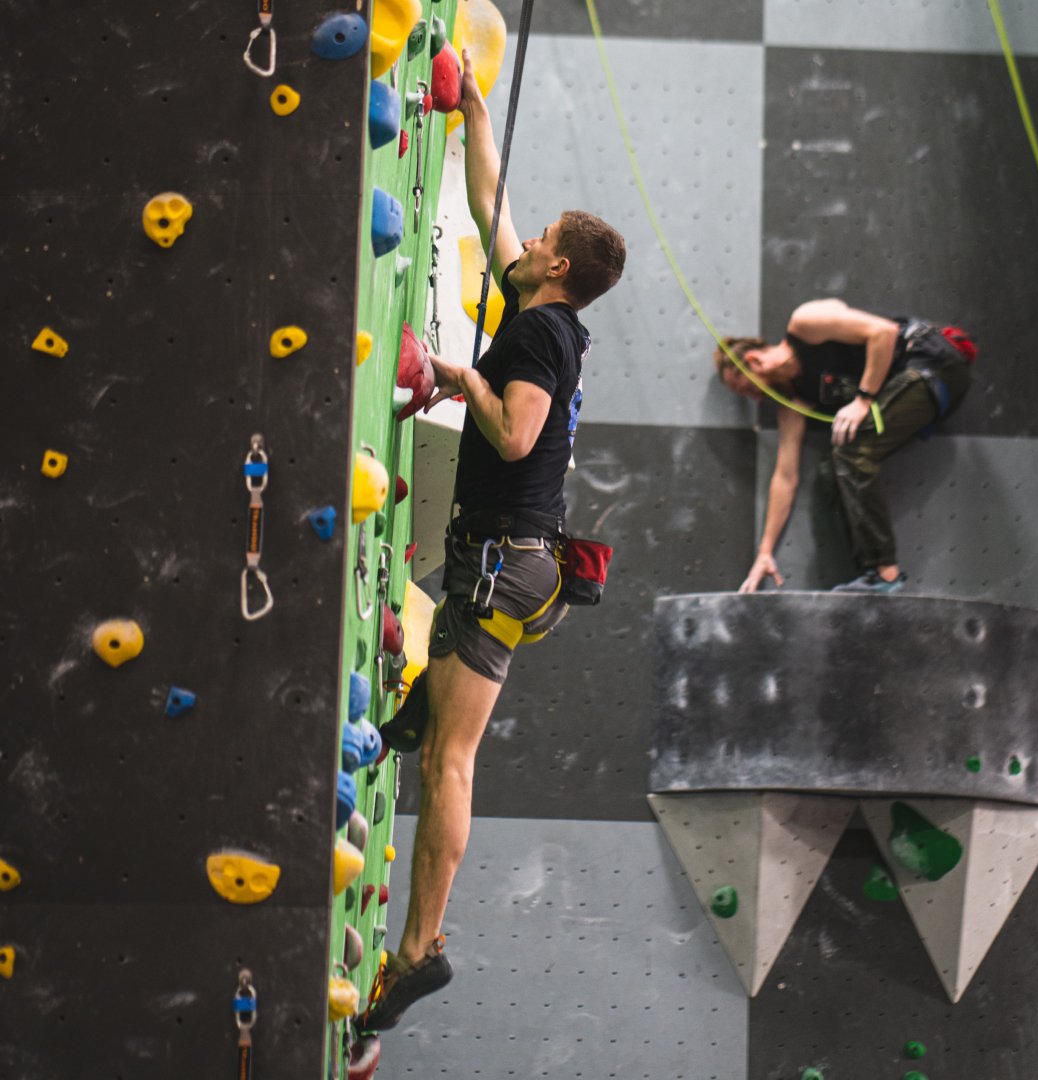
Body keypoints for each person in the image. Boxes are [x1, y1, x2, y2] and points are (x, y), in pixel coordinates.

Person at [364, 48, 626, 1030]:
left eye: (544, 234)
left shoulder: (545, 340)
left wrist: (450, 373)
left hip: (502, 563)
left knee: (451, 768)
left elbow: (515, 433)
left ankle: (421, 951)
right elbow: (489, 206)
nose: (528, 233)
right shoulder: (542, 310)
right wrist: (476, 103)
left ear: (556, 265)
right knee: (435, 737)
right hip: (509, 557)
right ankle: (411, 715)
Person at [715, 299, 974, 593]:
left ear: (754, 361)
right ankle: (870, 575)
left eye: (748, 388)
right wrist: (764, 552)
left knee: (852, 452)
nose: (756, 398)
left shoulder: (805, 324)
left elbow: (883, 332)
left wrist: (863, 400)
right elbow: (785, 478)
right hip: (911, 387)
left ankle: (886, 575)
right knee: (831, 471)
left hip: (932, 364)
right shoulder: (795, 405)